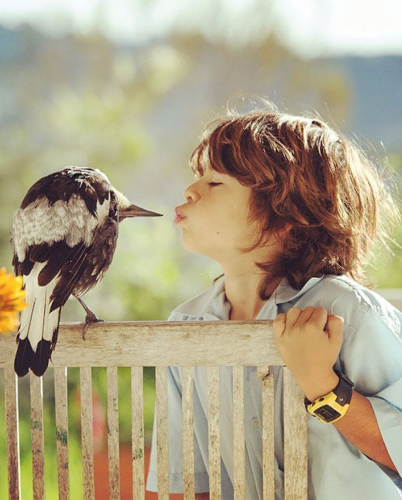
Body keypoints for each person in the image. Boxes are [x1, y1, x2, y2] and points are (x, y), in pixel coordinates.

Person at [145, 109, 402, 499]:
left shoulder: (347, 312)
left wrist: (323, 387)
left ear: (285, 217)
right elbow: (188, 482)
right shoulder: (187, 324)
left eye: (215, 182)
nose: (190, 190)